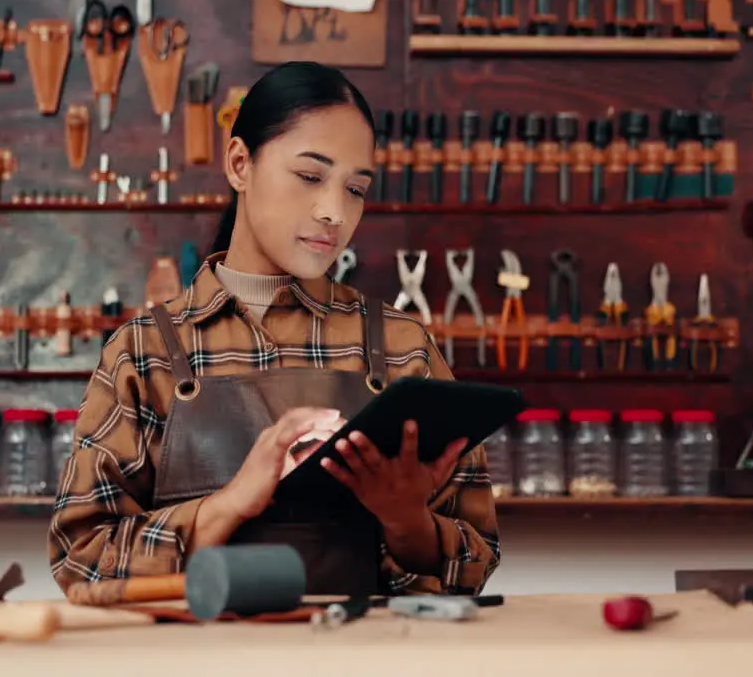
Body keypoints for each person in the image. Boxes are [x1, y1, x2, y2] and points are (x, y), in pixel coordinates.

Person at [48, 61, 499, 597]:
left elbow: (479, 557)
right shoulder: (142, 354)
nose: (334, 211)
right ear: (240, 163)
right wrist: (228, 506)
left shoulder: (404, 350)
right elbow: (82, 562)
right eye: (310, 176)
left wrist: (408, 525)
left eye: (355, 189)